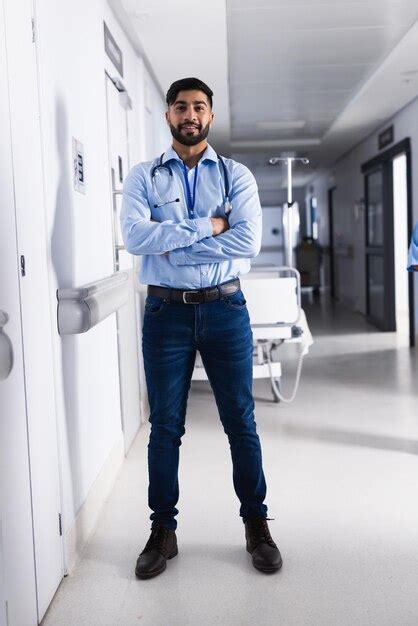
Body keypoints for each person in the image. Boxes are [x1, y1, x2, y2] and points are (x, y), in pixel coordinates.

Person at [120, 77, 282, 579]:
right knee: (165, 427)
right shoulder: (144, 177)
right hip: (165, 315)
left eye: (199, 106)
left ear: (210, 116)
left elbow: (247, 243)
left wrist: (172, 242)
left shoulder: (237, 176)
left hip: (225, 311)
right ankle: (161, 531)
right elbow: (133, 236)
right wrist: (211, 226)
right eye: (181, 106)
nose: (190, 114)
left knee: (241, 422)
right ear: (168, 115)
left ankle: (257, 524)